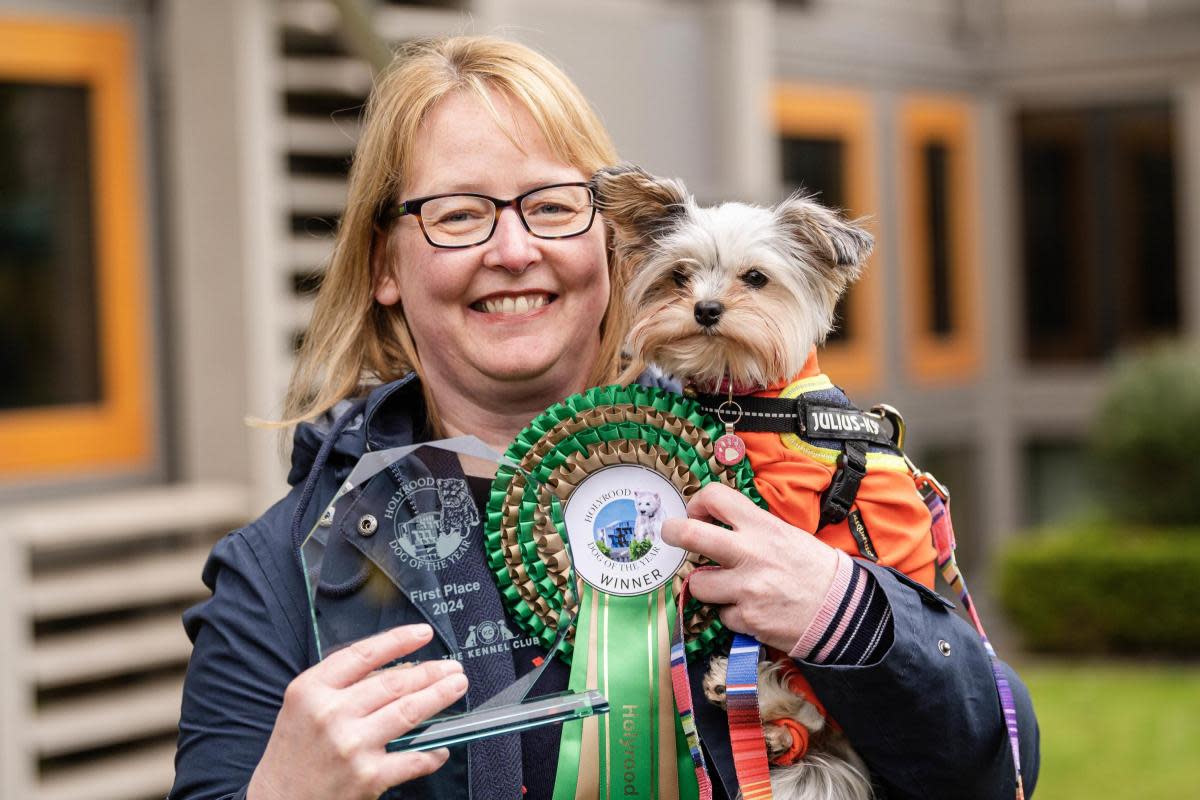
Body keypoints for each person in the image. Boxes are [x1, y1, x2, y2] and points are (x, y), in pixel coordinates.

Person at [170, 35, 1039, 800]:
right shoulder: (283, 573)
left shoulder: (782, 477)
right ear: (384, 264)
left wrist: (851, 614)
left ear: (612, 241)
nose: (513, 251)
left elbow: (997, 768)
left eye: (551, 206)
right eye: (458, 214)